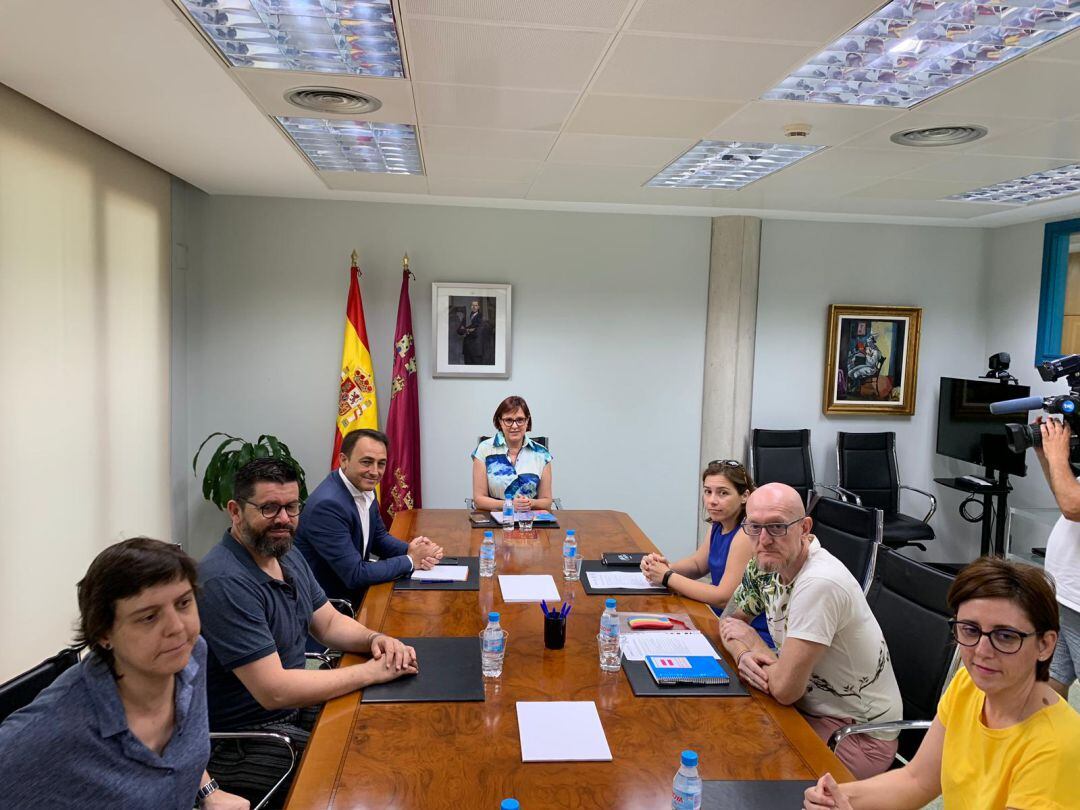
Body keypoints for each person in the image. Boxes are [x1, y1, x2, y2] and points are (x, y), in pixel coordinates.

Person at [198, 458, 418, 808]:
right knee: (361, 777)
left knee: (389, 732)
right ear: (235, 511)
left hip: (293, 709)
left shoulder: (285, 554)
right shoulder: (225, 582)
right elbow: (275, 691)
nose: (283, 519)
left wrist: (374, 639)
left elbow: (328, 623)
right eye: (269, 508)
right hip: (248, 738)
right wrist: (370, 672)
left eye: (291, 507)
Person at [804, 556, 1080, 810]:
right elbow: (916, 781)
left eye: (1006, 636)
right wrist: (836, 797)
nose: (982, 650)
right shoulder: (969, 685)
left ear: (1045, 645)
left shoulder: (1058, 750)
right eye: (970, 630)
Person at [0, 538, 248, 809]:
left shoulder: (189, 656)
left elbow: (177, 751)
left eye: (183, 603)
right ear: (104, 633)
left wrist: (208, 791)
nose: (177, 627)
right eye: (149, 617)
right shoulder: (51, 729)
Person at [718, 483, 902, 779]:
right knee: (723, 738)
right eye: (754, 527)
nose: (764, 539)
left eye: (777, 527)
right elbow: (728, 622)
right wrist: (742, 654)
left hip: (854, 735)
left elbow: (785, 690)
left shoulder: (819, 583)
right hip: (809, 711)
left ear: (804, 528)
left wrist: (754, 642)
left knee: (742, 766)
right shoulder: (765, 563)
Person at [295, 428, 443, 606]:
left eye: (381, 463)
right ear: (343, 460)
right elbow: (355, 574)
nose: (375, 472)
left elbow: (378, 538)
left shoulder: (362, 486)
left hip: (359, 592)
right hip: (331, 607)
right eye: (367, 462)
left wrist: (413, 550)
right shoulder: (327, 506)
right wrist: (411, 560)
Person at [639, 460, 772, 646]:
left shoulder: (745, 534)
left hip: (747, 632)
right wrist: (661, 567)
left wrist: (667, 577)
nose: (712, 500)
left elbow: (723, 597)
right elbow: (698, 564)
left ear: (744, 496)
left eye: (723, 493)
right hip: (719, 619)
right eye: (708, 491)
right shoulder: (719, 524)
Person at [1033, 416, 1080, 699]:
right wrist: (1045, 455)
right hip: (1063, 595)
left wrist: (1058, 454)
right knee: (1048, 684)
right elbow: (1065, 494)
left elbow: (1072, 507)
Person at [472, 395, 553, 513]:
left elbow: (547, 501)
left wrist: (531, 503)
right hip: (494, 519)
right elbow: (479, 500)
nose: (514, 426)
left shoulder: (542, 454)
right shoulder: (484, 450)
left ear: (527, 421)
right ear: (500, 422)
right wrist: (509, 504)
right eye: (509, 420)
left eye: (520, 420)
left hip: (530, 521)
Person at [457, 299, 486, 364]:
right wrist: (468, 330)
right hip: (467, 349)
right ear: (470, 307)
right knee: (467, 369)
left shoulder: (482, 317)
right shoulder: (466, 317)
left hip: (476, 349)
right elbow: (459, 330)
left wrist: (465, 330)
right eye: (472, 305)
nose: (474, 307)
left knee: (477, 369)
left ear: (478, 307)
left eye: (476, 305)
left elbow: (477, 332)